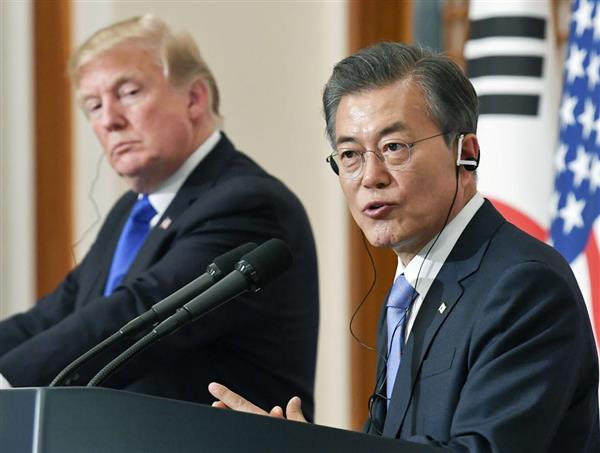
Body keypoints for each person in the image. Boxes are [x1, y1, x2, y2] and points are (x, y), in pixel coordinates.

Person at [209, 42, 600, 451]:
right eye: (350, 154)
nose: (370, 176)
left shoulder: (525, 286)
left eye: (394, 147)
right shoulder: (408, 293)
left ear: (466, 154)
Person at [0, 15, 319, 420]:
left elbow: (141, 312)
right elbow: (52, 317)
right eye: (93, 106)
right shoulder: (130, 213)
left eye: (128, 93)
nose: (109, 119)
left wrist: (6, 380)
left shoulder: (249, 203)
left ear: (194, 99)